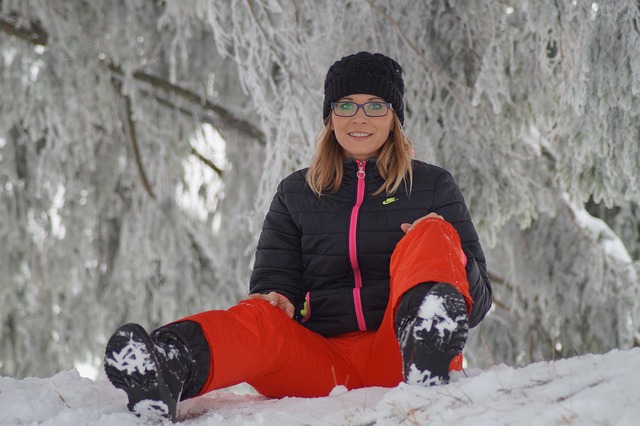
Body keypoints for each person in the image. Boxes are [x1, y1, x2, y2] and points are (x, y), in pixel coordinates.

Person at [103, 51, 492, 422]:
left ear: (394, 118)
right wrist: (278, 298)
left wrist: (451, 259)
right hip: (319, 364)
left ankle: (429, 345)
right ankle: (170, 365)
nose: (360, 117)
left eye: (375, 105)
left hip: (402, 353)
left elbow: (478, 304)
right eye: (346, 105)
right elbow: (276, 281)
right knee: (260, 315)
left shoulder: (432, 185)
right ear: (330, 116)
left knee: (432, 230)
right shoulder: (296, 193)